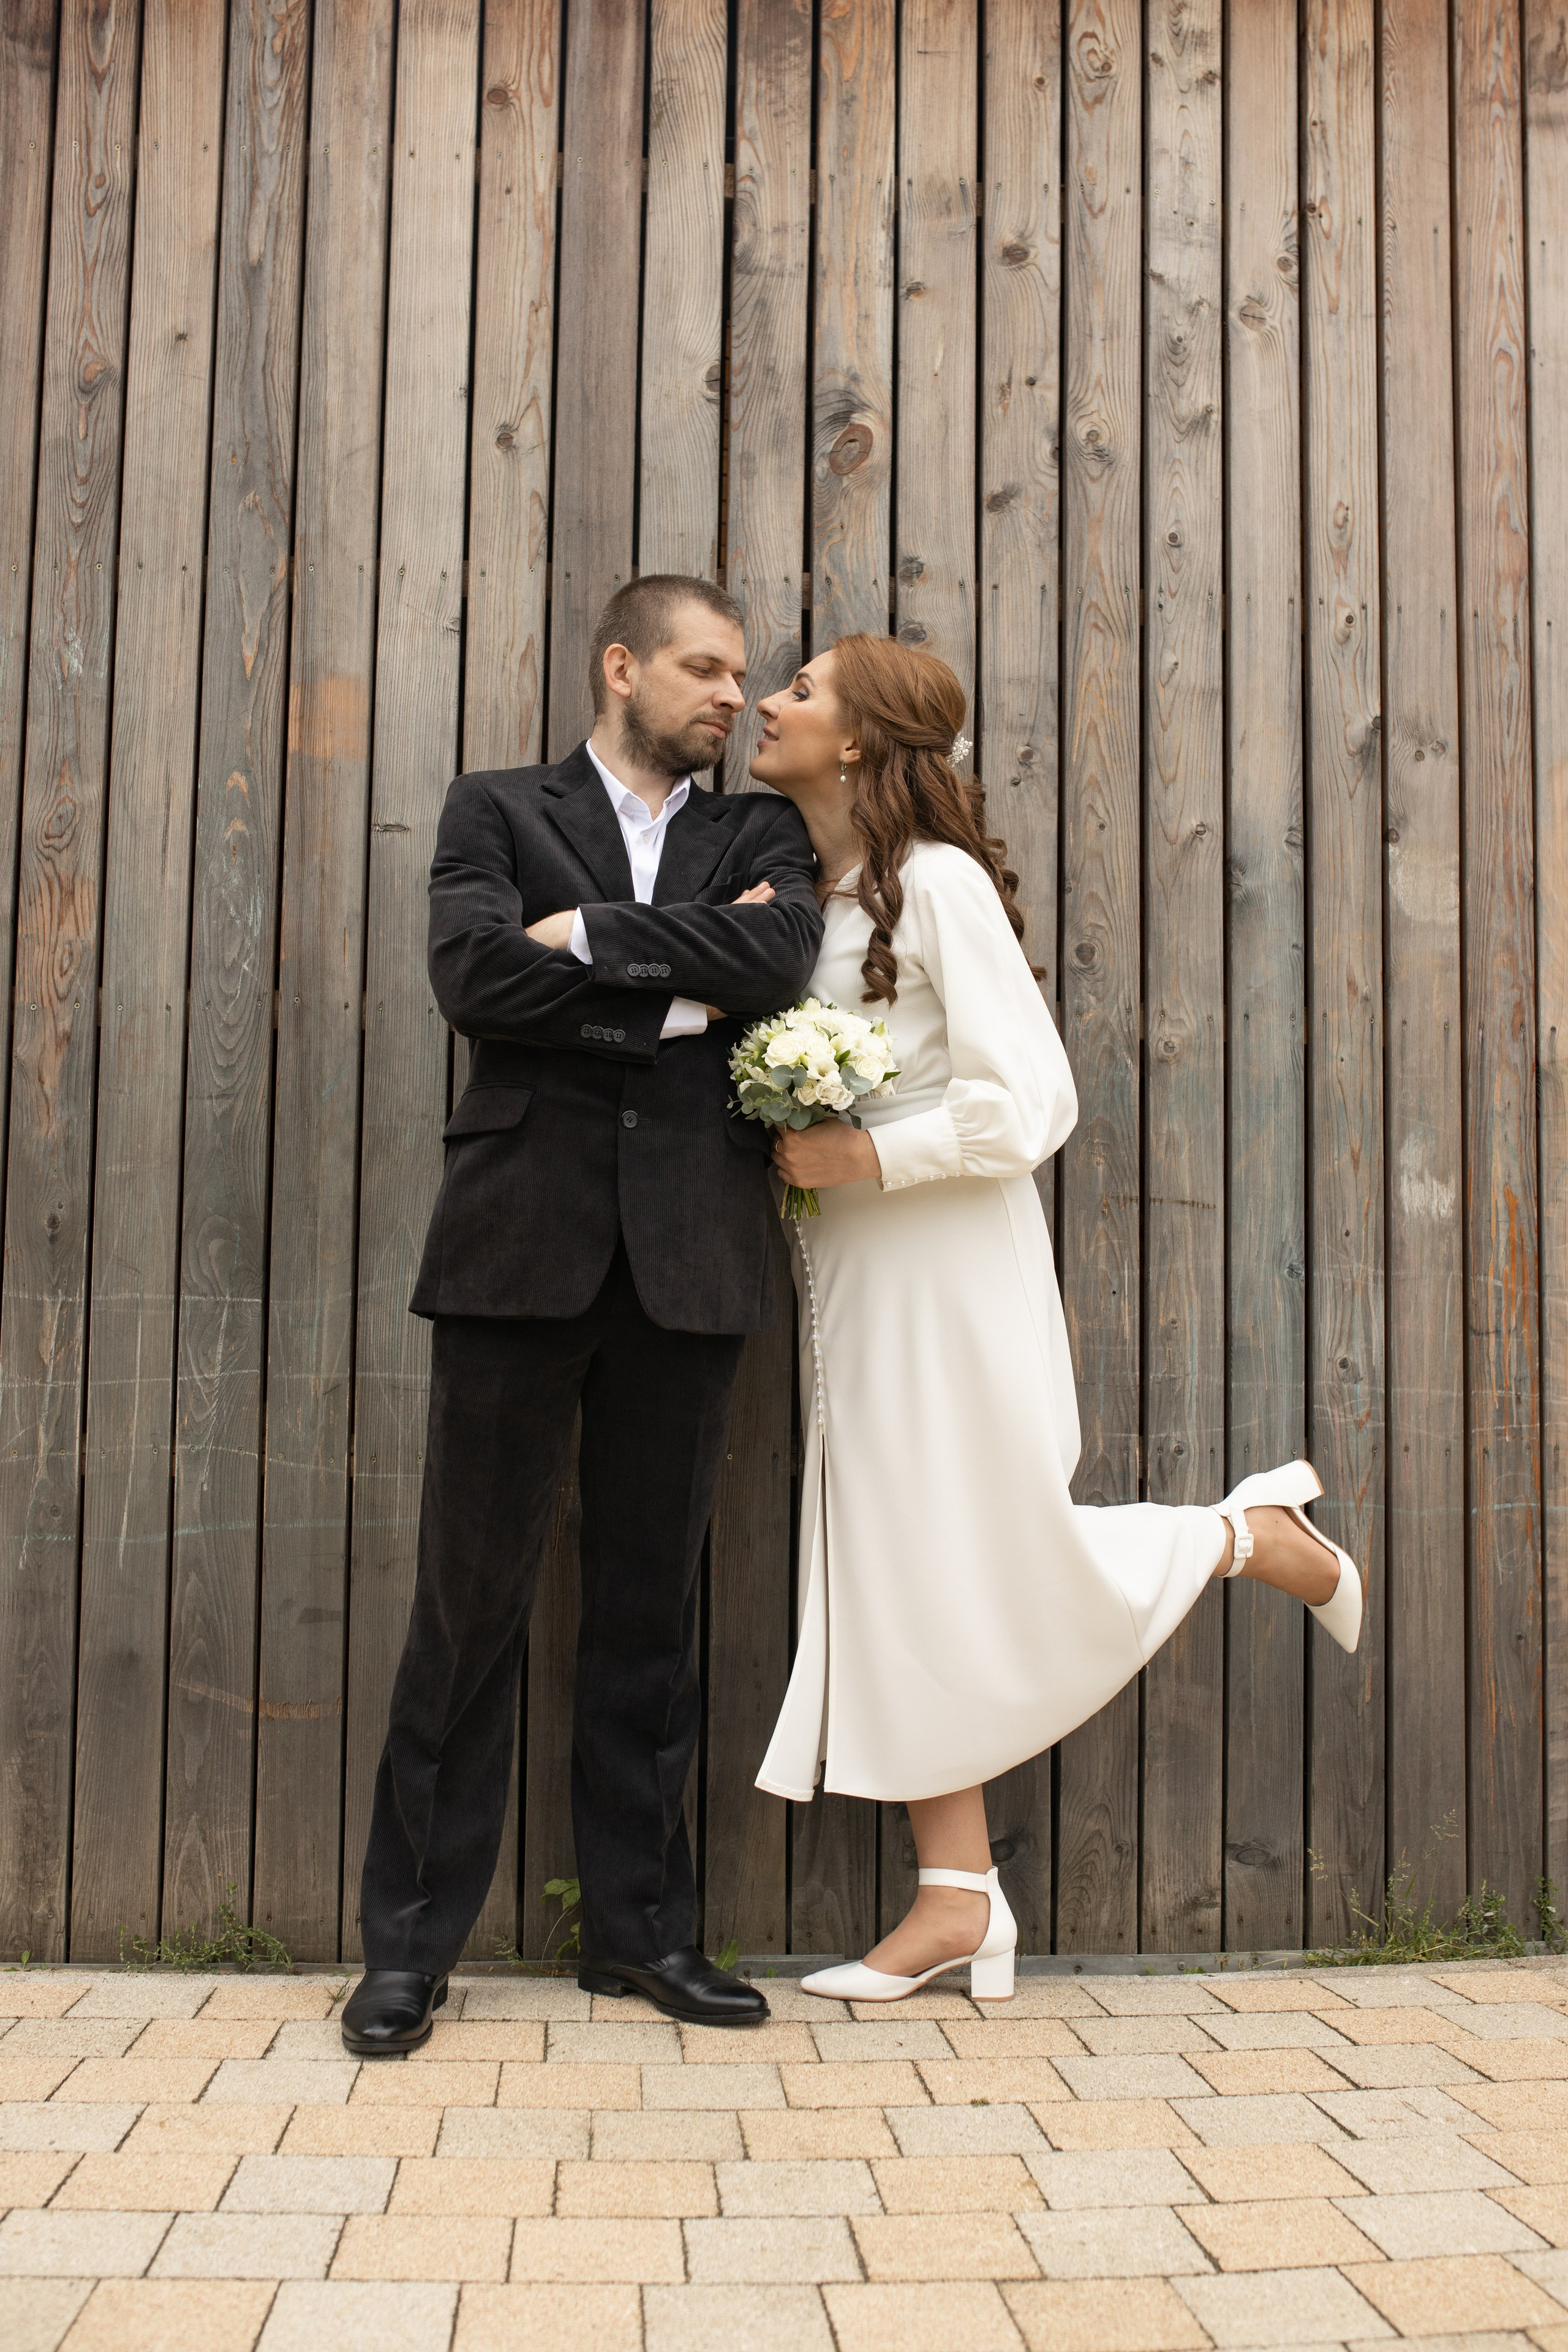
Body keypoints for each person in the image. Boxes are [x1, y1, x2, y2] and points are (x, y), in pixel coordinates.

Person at [747, 634, 1363, 2003]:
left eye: (798, 688)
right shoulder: (815, 890)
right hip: (849, 1269)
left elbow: (1032, 1101)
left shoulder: (943, 885)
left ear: (854, 741)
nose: (766, 704)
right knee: (901, 1563)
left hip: (944, 1259)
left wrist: (869, 1155)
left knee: (975, 1547)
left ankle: (1245, 1536)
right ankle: (956, 1901)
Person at [341, 576, 823, 2053]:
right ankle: (408, 1951)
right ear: (621, 667)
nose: (730, 698)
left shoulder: (761, 834)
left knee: (646, 1615)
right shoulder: (493, 808)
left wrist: (584, 944)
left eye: (741, 677)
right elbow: (473, 978)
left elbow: (776, 961)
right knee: (466, 1607)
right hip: (515, 1253)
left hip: (687, 1260)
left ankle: (641, 1936)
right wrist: (674, 987)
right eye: (702, 668)